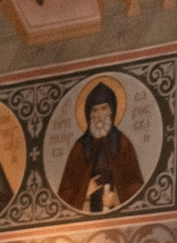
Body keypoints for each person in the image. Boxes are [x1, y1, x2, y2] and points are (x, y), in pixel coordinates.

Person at [56, 82, 145, 213]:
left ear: (112, 111)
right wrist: (84, 192)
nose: (99, 115)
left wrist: (117, 199)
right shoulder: (80, 147)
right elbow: (65, 191)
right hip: (86, 212)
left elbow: (136, 184)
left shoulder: (122, 143)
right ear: (89, 114)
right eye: (95, 110)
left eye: (104, 109)